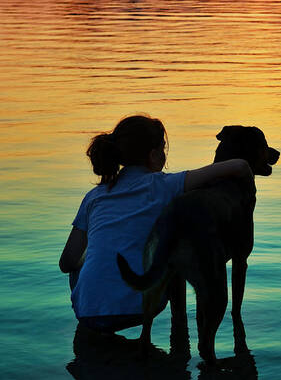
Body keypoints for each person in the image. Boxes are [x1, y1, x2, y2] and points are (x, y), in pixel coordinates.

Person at [59, 114, 251, 334]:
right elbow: (238, 165)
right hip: (140, 307)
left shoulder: (94, 197)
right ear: (152, 155)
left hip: (87, 311)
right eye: (163, 148)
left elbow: (66, 262)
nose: (165, 154)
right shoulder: (165, 185)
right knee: (174, 242)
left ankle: (97, 317)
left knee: (83, 260)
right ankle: (180, 337)